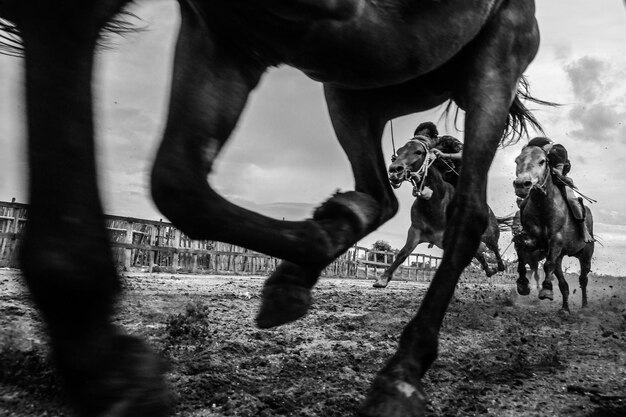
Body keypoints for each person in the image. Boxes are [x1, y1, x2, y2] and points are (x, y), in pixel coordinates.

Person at [523, 136, 593, 242]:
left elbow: (559, 173)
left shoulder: (559, 151)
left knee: (572, 200)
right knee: (524, 203)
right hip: (544, 183)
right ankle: (523, 230)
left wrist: (548, 168)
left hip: (560, 180)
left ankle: (583, 229)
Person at [413, 121, 463, 186]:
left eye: (425, 137)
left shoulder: (446, 140)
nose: (423, 142)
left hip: (463, 177)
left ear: (435, 137)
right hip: (445, 185)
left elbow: (464, 154)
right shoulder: (423, 152)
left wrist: (444, 155)